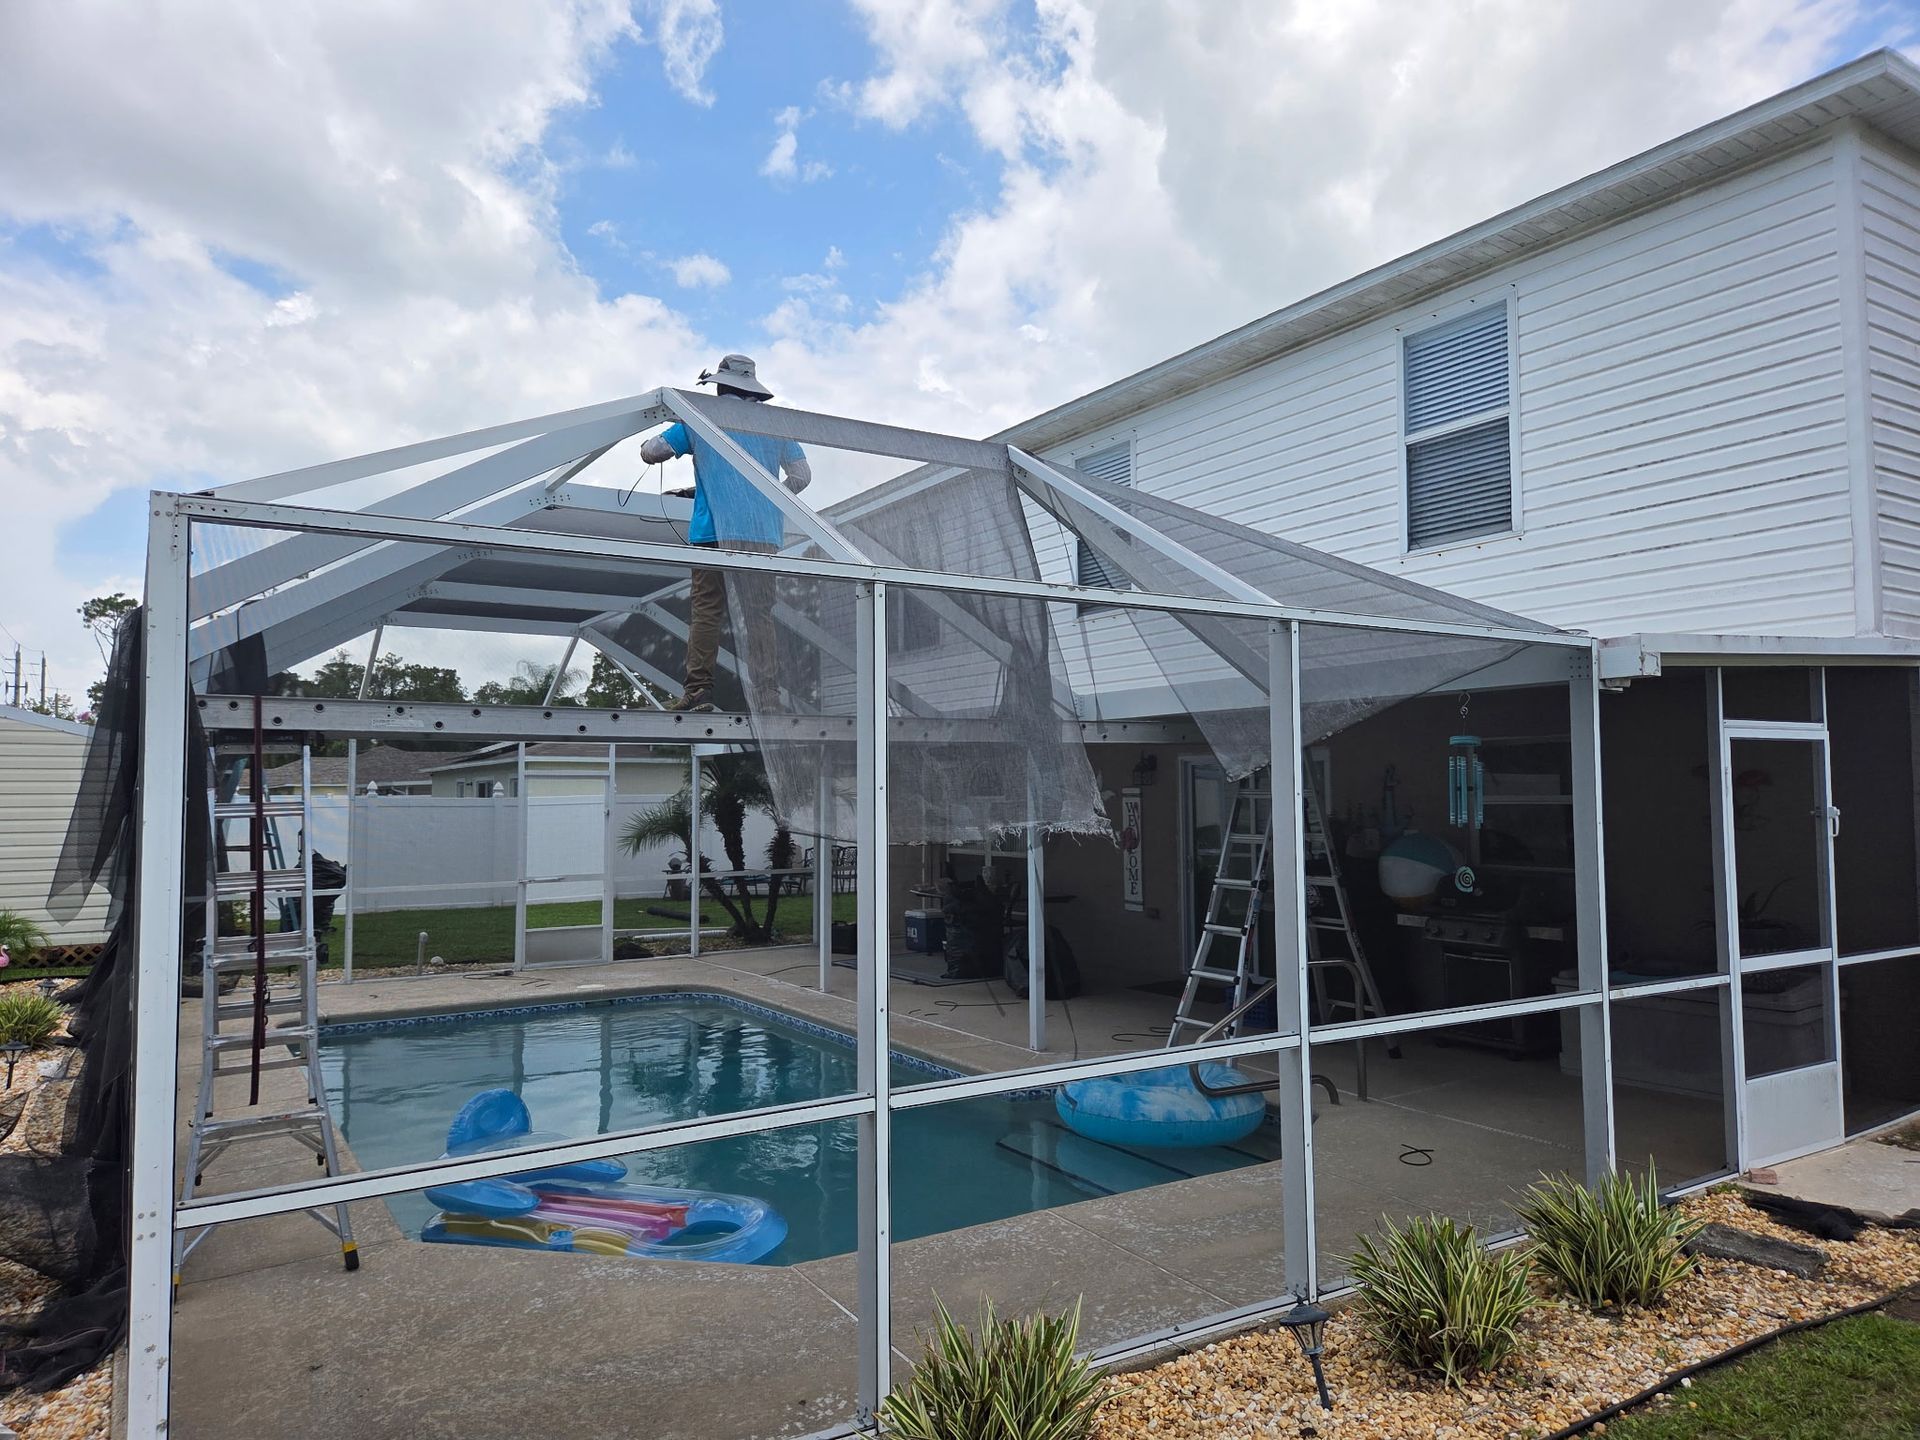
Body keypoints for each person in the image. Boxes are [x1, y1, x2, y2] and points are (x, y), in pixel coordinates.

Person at [639, 354, 812, 712]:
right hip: (761, 535)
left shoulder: (704, 416)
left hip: (711, 532)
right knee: (758, 616)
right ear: (752, 389)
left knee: (706, 610)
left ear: (719, 385)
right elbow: (802, 476)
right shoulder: (774, 424)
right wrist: (763, 497)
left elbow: (651, 452)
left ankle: (698, 690)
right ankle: (767, 698)